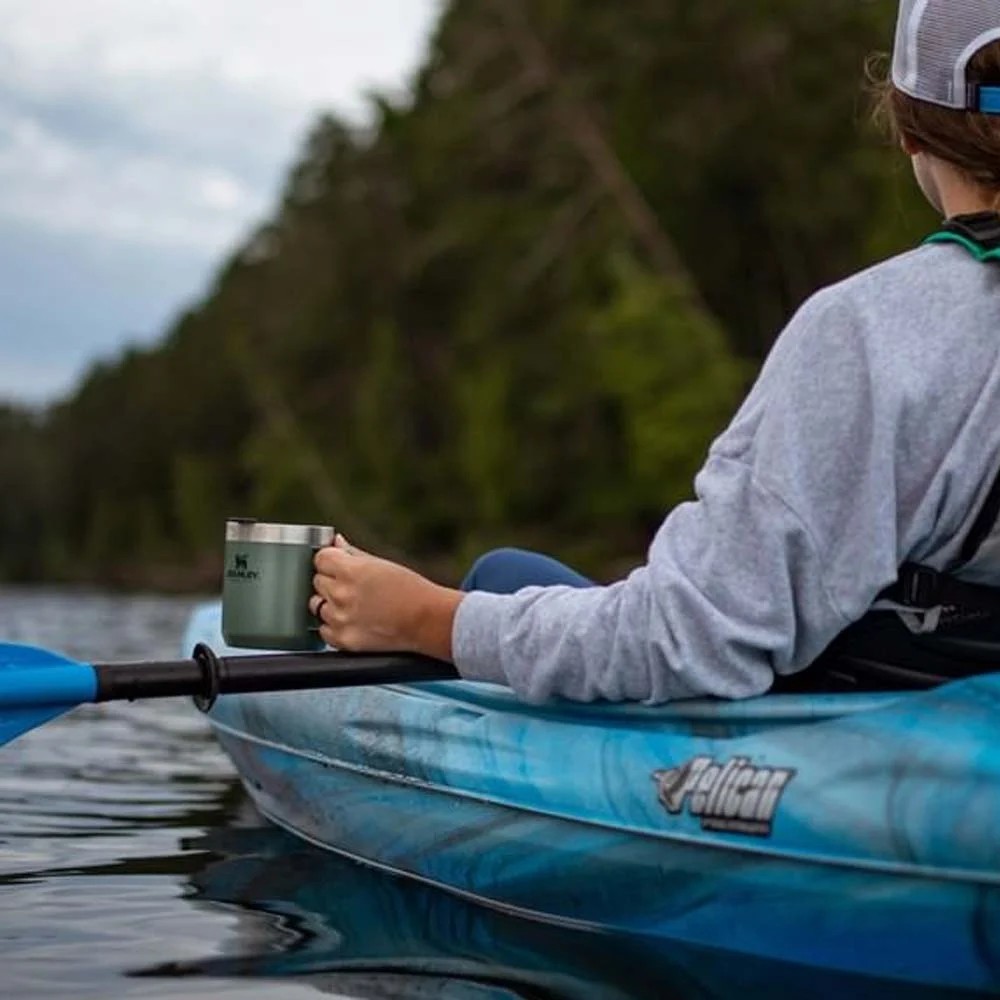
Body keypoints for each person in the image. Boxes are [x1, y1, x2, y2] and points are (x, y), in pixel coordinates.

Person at [310, 0, 1000, 704]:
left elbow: (686, 640)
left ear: (910, 129)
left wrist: (427, 618)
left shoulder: (869, 331)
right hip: (962, 693)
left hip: (861, 730)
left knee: (497, 578)